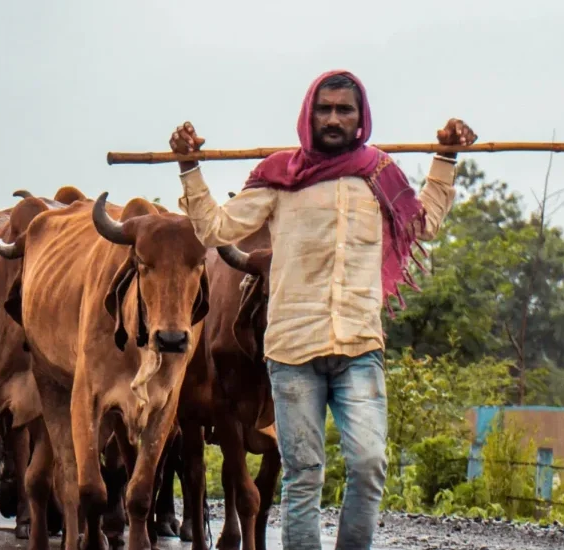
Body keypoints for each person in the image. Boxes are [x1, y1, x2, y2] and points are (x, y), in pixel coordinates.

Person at [170, 69, 476, 550]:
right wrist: (189, 167)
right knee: (303, 473)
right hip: (293, 350)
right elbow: (215, 230)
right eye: (325, 109)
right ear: (309, 115)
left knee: (369, 465)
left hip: (359, 347)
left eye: (344, 110)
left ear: (360, 118)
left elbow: (426, 223)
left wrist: (446, 157)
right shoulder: (279, 178)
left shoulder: (379, 176)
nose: (334, 119)